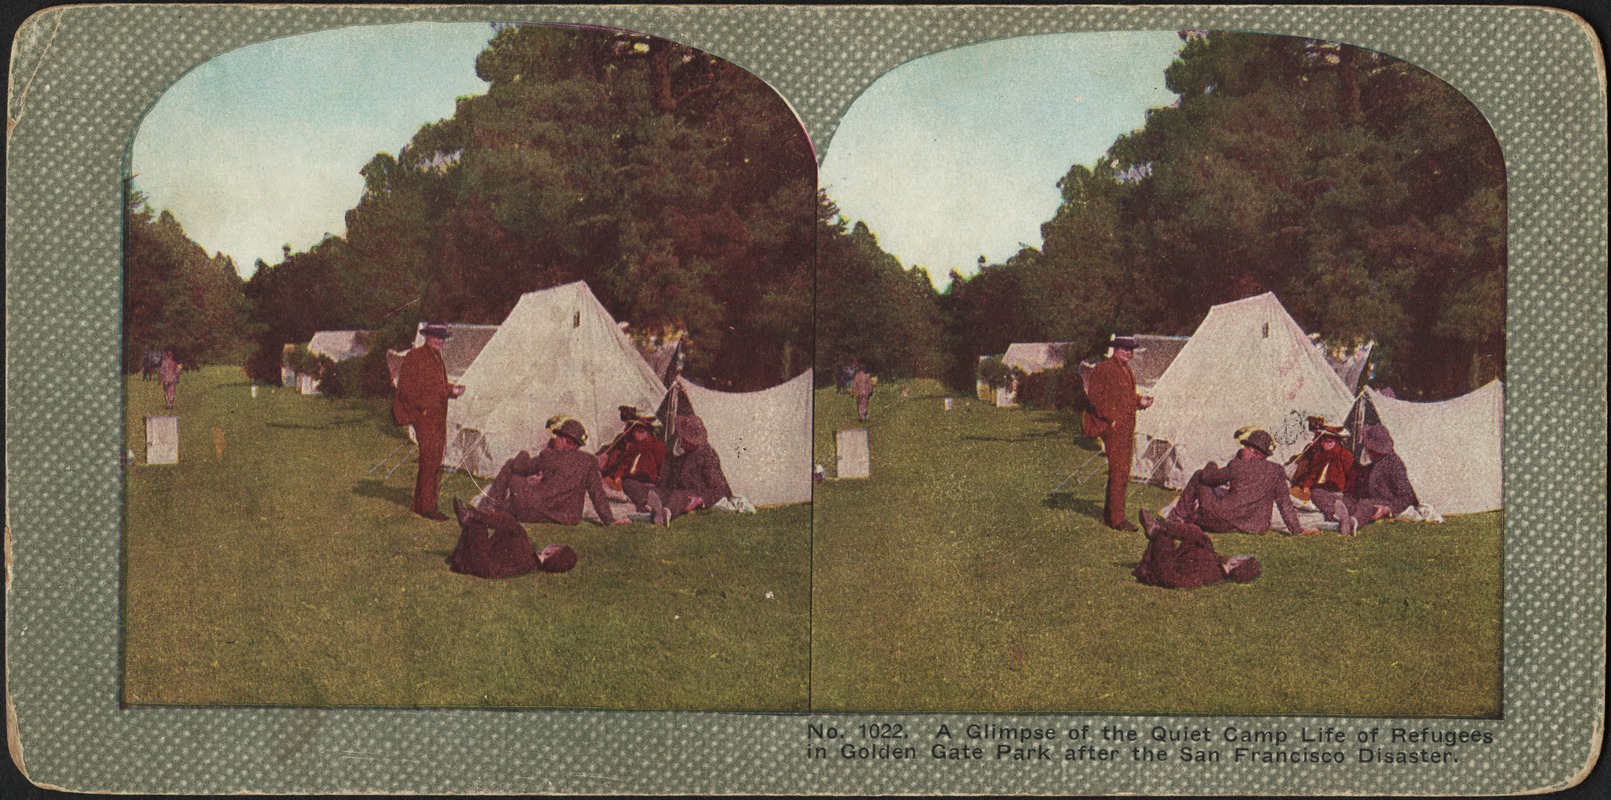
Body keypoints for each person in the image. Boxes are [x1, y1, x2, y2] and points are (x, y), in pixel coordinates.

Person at [466, 418, 629, 527]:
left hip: (534, 509)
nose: (553, 440)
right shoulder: (589, 461)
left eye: (557, 436)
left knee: (511, 466)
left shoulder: (550, 455)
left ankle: (487, 507)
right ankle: (493, 508)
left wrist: (523, 453)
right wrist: (610, 520)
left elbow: (520, 467)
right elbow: (597, 494)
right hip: (568, 517)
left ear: (565, 440)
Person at [1169, 427, 1319, 537]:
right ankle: (1187, 516)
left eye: (1244, 447)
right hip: (1256, 526)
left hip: (1222, 521)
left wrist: (1211, 465)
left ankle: (1178, 516)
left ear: (1251, 449)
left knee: (1198, 475)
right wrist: (1297, 530)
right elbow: (1284, 503)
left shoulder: (1237, 465)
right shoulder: (1277, 470)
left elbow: (1208, 478)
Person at [392, 323, 466, 521]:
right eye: (436, 337)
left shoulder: (437, 358)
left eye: (442, 338)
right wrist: (422, 408)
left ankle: (421, 504)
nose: (439, 341)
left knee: (434, 460)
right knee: (431, 459)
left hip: (437, 417)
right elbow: (406, 388)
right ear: (427, 337)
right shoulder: (415, 356)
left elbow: (436, 386)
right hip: (424, 417)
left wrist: (451, 390)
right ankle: (428, 508)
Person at [1081, 334, 1154, 531]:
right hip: (1114, 428)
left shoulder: (1126, 370)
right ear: (1115, 349)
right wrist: (1110, 418)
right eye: (1124, 348)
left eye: (1131, 349)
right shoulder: (1104, 368)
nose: (1128, 352)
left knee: (1120, 471)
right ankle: (1117, 520)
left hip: (1126, 428)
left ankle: (1110, 515)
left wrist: (1140, 401)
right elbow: (1094, 398)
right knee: (1119, 471)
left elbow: (1127, 398)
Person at [1313, 424, 1419, 536]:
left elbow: (1408, 496)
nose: (1369, 451)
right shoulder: (1366, 459)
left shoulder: (1394, 464)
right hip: (1357, 501)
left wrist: (1388, 509)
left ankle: (1352, 522)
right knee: (1317, 493)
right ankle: (1338, 515)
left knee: (1367, 506)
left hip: (1379, 502)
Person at [625, 415, 731, 526]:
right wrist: (653, 490)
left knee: (679, 496)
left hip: (691, 494)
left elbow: (719, 487)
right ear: (682, 438)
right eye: (688, 441)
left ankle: (666, 514)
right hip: (669, 493)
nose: (691, 444)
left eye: (693, 443)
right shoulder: (673, 451)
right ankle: (650, 506)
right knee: (629, 484)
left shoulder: (707, 454)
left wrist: (700, 500)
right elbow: (663, 482)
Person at [447, 501, 580, 579]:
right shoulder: (529, 561)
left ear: (554, 551)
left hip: (482, 565)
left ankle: (471, 516)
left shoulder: (527, 554)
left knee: (499, 524)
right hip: (483, 565)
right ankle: (472, 518)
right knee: (506, 525)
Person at [1133, 509, 1262, 589]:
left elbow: (1172, 579)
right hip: (1176, 557)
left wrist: (1152, 566)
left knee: (1196, 537)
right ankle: (1161, 527)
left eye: (1239, 558)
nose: (1235, 556)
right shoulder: (1215, 563)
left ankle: (1159, 529)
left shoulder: (1209, 575)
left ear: (1237, 563)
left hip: (1164, 564)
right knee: (1199, 536)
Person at [598, 407, 667, 492]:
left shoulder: (653, 446)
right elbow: (620, 462)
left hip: (641, 487)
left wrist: (618, 478)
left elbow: (645, 474)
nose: (625, 430)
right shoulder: (626, 442)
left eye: (629, 427)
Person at [1289, 420, 1355, 500]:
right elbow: (1312, 473)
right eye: (1326, 440)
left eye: (1331, 441)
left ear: (1336, 441)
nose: (1329, 443)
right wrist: (1306, 485)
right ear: (1321, 441)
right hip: (1316, 489)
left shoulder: (1344, 455)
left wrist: (1347, 493)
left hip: (1335, 491)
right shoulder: (1319, 454)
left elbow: (1351, 476)